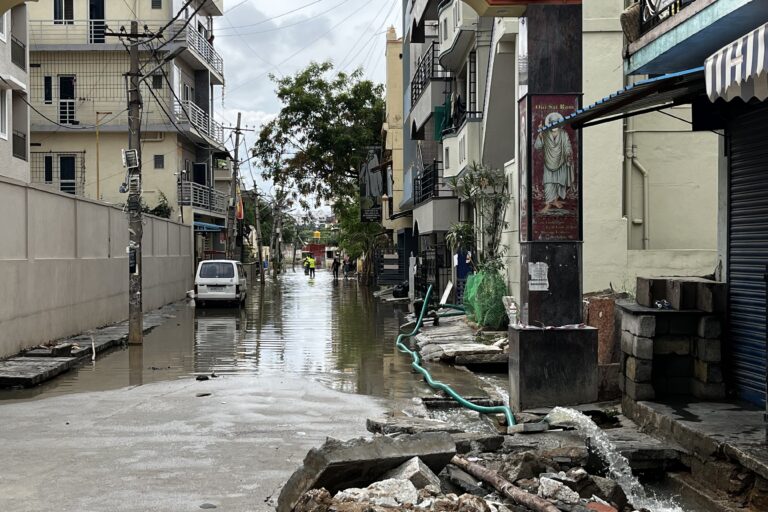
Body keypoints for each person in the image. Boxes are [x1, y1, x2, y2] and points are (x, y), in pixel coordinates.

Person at [534, 111, 574, 213]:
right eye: (552, 122)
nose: (554, 124)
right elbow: (538, 147)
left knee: (558, 183)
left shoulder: (563, 134)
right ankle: (548, 204)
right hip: (548, 163)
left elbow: (567, 146)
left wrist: (568, 153)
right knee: (549, 183)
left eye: (556, 122)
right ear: (550, 123)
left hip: (561, 162)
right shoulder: (545, 134)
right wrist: (540, 134)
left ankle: (555, 201)